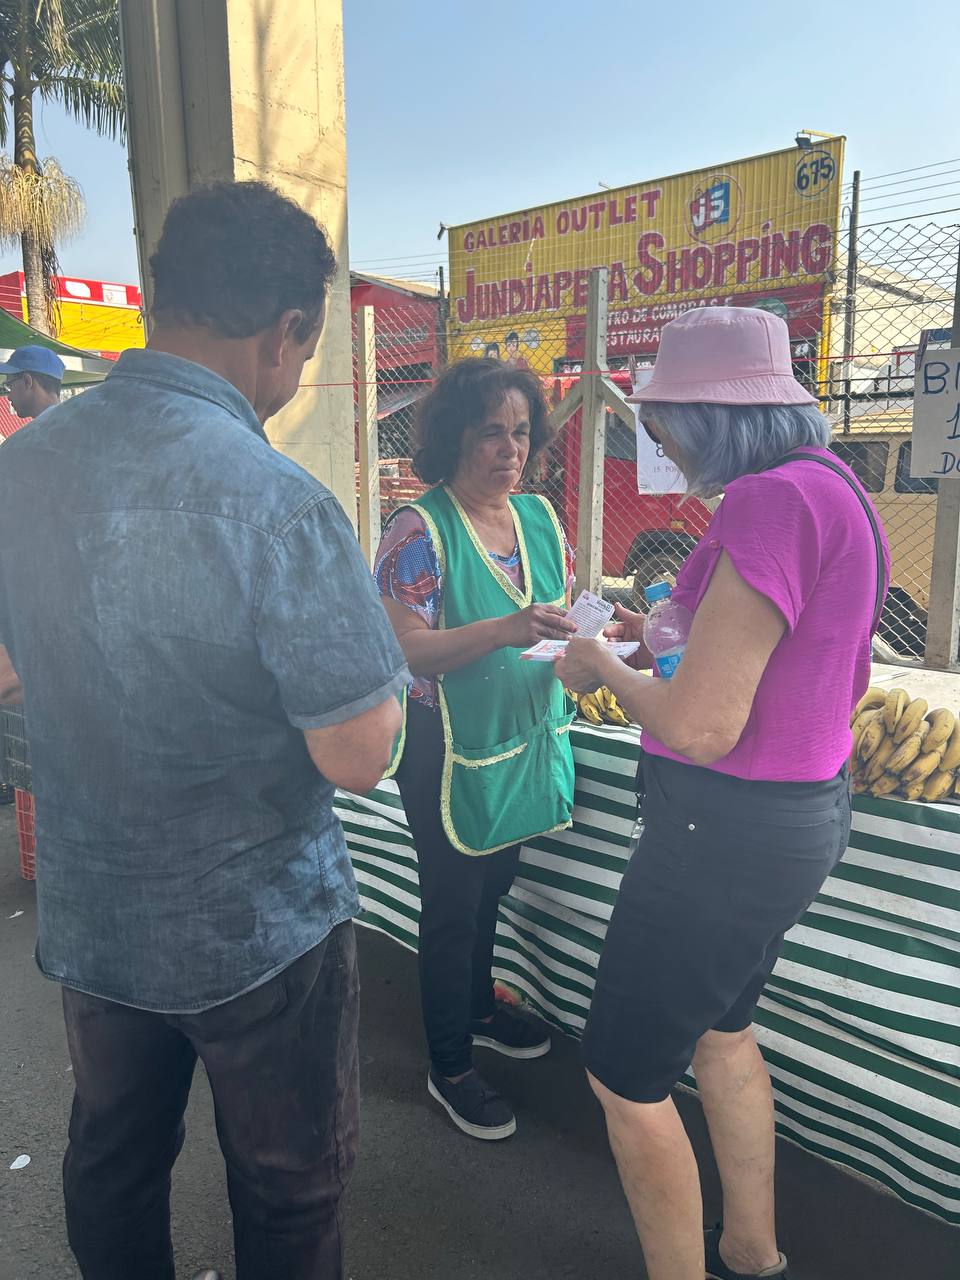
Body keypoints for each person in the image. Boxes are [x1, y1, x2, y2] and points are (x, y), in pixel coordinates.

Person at [0, 181, 408, 1280]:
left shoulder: (17, 470)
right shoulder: (277, 501)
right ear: (285, 332)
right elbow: (357, 754)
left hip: (97, 917)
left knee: (113, 1161)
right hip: (256, 932)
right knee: (287, 1186)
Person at [556, 306, 889, 1280]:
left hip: (720, 833)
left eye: (663, 423)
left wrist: (596, 664)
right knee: (722, 1032)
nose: (658, 443)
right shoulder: (832, 486)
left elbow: (701, 726)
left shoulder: (768, 503)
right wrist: (652, 633)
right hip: (796, 817)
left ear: (706, 417)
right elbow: (781, 648)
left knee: (624, 1075)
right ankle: (751, 1250)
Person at [375, 357, 577, 1140]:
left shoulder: (537, 519)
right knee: (454, 906)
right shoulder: (418, 530)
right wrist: (505, 629)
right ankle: (450, 1064)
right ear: (455, 436)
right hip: (445, 746)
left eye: (521, 432)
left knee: (496, 881)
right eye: (491, 431)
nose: (509, 449)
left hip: (518, 737)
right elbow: (406, 651)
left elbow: (553, 616)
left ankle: (478, 1008)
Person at [0, 345, 64, 420]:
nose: (9, 397)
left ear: (27, 381)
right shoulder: (71, 421)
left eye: (9, 385)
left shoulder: (44, 427)